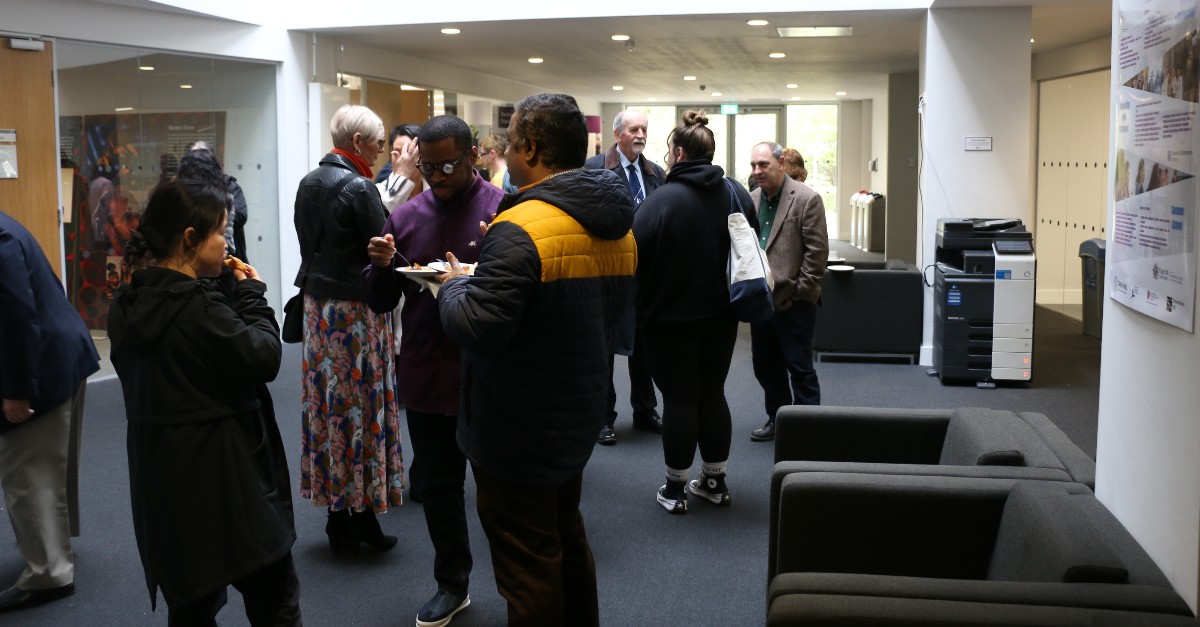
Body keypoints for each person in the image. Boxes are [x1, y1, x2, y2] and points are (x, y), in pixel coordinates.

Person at [438, 92, 635, 626]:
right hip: (575, 411)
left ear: (528, 147)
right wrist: (499, 267)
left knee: (527, 567)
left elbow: (477, 326)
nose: (505, 147)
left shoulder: (523, 228)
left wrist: (454, 286)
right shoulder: (616, 222)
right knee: (566, 540)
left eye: (510, 138)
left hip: (517, 425)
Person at [108, 180, 301, 625]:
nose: (228, 242)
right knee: (275, 596)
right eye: (221, 232)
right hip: (227, 476)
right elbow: (265, 356)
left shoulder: (128, 301)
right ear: (190, 240)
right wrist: (253, 296)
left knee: (192, 602)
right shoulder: (197, 308)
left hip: (165, 478)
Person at [364, 115, 504, 627]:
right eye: (429, 166)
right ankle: (453, 584)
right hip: (427, 368)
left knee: (498, 490)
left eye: (449, 165)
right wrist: (379, 266)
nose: (439, 176)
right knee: (441, 490)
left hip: (488, 372)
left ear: (474, 158)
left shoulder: (501, 210)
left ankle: (518, 584)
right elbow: (380, 300)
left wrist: (480, 271)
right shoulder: (406, 216)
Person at [293, 103, 403, 553]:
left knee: (329, 410)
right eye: (377, 142)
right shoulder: (360, 188)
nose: (380, 151)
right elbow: (385, 252)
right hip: (355, 316)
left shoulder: (307, 182)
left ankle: (338, 513)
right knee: (360, 408)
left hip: (318, 312)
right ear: (357, 142)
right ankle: (361, 515)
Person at [633, 111, 755, 515]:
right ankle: (715, 482)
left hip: (668, 323)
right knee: (713, 394)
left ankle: (675, 489)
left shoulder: (659, 202)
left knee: (680, 400)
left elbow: (638, 261)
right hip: (723, 320)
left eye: (668, 150)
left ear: (679, 153)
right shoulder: (735, 193)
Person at [0, 211, 99, 613]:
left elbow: (15, 318)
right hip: (62, 352)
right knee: (49, 465)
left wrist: (18, 390)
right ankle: (53, 545)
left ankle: (48, 574)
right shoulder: (7, 226)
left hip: (41, 366)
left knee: (29, 472)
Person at [584, 109, 664, 444]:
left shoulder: (656, 172)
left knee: (644, 347)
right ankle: (604, 417)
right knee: (604, 348)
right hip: (606, 273)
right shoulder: (593, 168)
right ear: (618, 134)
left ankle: (645, 411)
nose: (640, 135)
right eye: (634, 129)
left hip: (644, 275)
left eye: (644, 129)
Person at [747, 142, 829, 442]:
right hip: (761, 301)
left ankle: (808, 426)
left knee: (799, 367)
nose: (757, 171)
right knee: (765, 367)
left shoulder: (806, 198)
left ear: (781, 163)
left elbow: (817, 252)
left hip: (794, 300)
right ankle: (778, 419)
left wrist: (802, 292)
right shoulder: (752, 199)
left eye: (763, 165)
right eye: (754, 165)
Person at [184, 141, 250, 262]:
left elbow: (241, 215)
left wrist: (211, 220)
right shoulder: (186, 189)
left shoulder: (229, 185)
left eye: (201, 157)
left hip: (228, 260)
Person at [374, 123, 424, 204]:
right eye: (396, 152)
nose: (403, 159)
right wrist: (402, 176)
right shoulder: (378, 191)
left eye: (408, 152)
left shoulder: (435, 188)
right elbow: (384, 214)